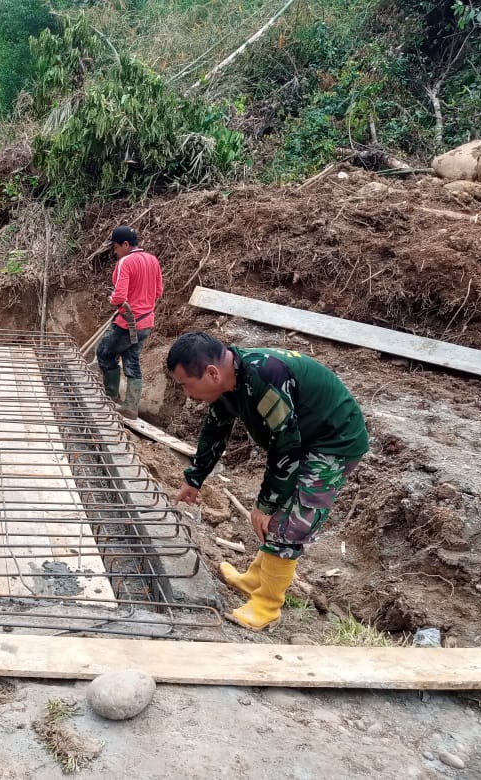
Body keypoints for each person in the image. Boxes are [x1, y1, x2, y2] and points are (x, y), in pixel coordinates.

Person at [167, 332, 369, 631]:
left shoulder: (265, 375)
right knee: (279, 513)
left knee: (293, 522)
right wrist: (194, 479)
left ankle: (268, 605)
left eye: (186, 385)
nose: (186, 393)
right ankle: (255, 581)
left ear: (211, 372)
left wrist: (264, 505)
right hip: (303, 441)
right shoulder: (229, 381)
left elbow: (285, 447)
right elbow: (215, 430)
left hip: (333, 442)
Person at [96, 225, 163, 418]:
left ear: (126, 244)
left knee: (105, 353)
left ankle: (111, 397)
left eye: (116, 248)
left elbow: (119, 296)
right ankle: (131, 406)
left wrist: (112, 300)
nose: (115, 252)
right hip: (146, 322)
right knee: (132, 361)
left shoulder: (126, 262)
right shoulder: (153, 260)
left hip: (128, 322)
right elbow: (158, 292)